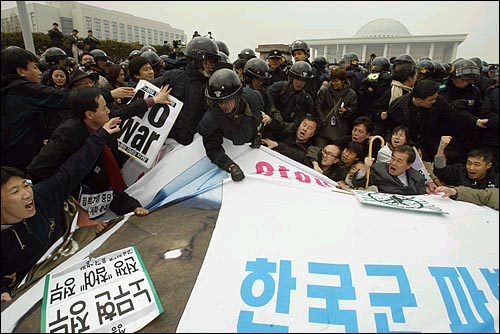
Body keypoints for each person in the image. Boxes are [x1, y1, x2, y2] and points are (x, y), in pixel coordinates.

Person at [1, 116, 121, 302]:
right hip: (36, 291)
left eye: (25, 185)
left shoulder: (41, 194)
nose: (27, 194)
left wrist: (101, 135)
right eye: (15, 191)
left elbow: (72, 169)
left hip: (71, 264)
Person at [28, 86, 171, 219]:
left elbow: (125, 111)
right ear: (90, 114)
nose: (108, 111)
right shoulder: (68, 134)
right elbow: (38, 169)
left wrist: (155, 100)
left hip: (104, 195)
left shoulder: (102, 121)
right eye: (104, 108)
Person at [1, 47, 69, 171]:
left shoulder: (7, 89)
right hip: (17, 161)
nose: (39, 72)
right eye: (35, 67)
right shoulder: (23, 89)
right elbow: (63, 98)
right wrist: (109, 94)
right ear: (21, 71)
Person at [151, 36, 220, 145]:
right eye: (208, 61)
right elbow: (145, 92)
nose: (212, 65)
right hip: (164, 142)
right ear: (195, 61)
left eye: (214, 61)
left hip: (192, 147)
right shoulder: (172, 77)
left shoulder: (211, 85)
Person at [198, 68, 262, 182]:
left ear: (237, 96)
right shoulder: (210, 120)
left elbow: (262, 117)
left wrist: (258, 133)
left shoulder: (254, 99)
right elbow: (213, 148)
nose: (224, 105)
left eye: (228, 100)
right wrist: (230, 166)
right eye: (220, 102)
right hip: (233, 152)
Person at [352, 145, 426, 195]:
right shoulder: (379, 170)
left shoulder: (418, 178)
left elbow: (422, 198)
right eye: (393, 158)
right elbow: (358, 183)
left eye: (399, 161)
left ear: (408, 165)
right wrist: (365, 168)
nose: (393, 163)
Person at [433, 136, 499, 189]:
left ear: (488, 165)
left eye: (477, 164)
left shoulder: (496, 179)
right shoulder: (460, 171)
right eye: (469, 163)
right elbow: (440, 170)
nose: (471, 168)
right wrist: (441, 148)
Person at [316, 67, 358, 147]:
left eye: (336, 81)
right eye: (332, 80)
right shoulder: (325, 91)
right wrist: (322, 118)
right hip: (325, 126)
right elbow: (318, 105)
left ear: (343, 81)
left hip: (341, 128)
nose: (333, 83)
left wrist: (346, 111)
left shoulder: (351, 94)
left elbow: (354, 108)